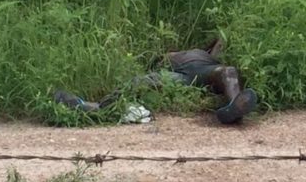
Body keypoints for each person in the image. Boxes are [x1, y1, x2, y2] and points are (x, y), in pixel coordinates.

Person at [54, 40, 257, 124]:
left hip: (204, 71)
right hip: (177, 74)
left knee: (228, 71)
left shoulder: (207, 57)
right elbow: (152, 69)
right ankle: (96, 106)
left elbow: (221, 41)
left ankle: (234, 106)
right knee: (141, 81)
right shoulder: (175, 54)